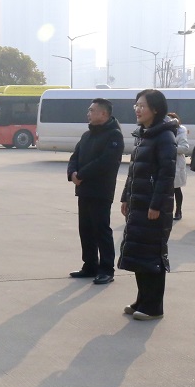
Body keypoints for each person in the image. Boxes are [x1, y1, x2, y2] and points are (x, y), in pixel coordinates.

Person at [118, 89, 177, 321]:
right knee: (139, 253)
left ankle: (154, 307)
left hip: (153, 206)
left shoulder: (164, 136)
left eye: (142, 106)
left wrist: (156, 205)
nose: (138, 109)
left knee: (152, 255)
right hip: (138, 203)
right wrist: (126, 196)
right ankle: (142, 299)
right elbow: (133, 172)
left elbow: (166, 175)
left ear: (155, 109)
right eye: (136, 105)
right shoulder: (144, 134)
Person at [67, 98, 124, 285]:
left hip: (101, 190)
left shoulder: (114, 135)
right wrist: (72, 173)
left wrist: (81, 174)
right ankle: (90, 265)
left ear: (104, 113)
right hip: (84, 189)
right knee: (85, 229)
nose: (88, 113)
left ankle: (106, 269)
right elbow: (75, 157)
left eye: (92, 110)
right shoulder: (87, 135)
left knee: (101, 229)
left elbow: (105, 162)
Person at [166, 112, 190, 221]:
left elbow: (185, 148)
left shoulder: (181, 131)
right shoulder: (163, 131)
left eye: (172, 120)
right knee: (165, 190)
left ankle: (178, 210)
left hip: (176, 163)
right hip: (164, 163)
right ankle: (166, 211)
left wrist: (170, 148)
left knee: (176, 189)